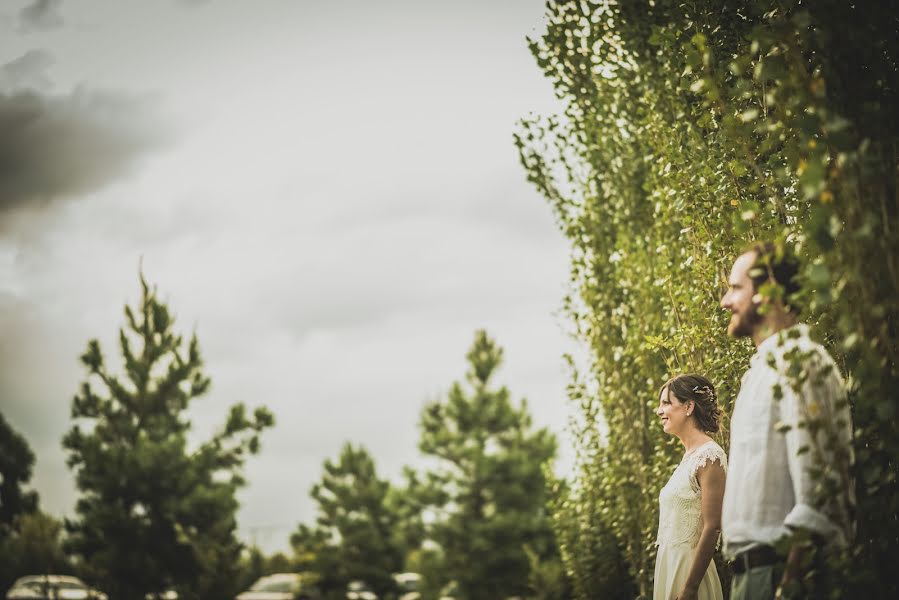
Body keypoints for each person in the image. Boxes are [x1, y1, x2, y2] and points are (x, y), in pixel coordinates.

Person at [720, 242, 853, 600]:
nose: (725, 302)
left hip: (778, 576)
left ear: (767, 294)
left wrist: (789, 582)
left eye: (735, 288)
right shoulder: (758, 374)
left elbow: (819, 491)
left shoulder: (802, 364)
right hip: (750, 577)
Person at [654, 374, 727, 600]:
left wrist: (689, 588)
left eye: (666, 403)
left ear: (688, 406)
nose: (659, 411)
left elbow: (713, 526)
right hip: (669, 567)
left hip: (690, 577)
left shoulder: (710, 456)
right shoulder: (688, 459)